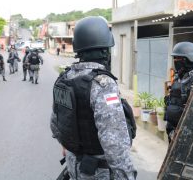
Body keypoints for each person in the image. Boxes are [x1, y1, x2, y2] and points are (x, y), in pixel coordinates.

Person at [50, 16, 137, 180]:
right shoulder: (103, 84)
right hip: (97, 173)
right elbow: (114, 142)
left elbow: (55, 126)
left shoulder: (64, 78)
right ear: (105, 51)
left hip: (73, 166)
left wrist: (71, 148)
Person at [164, 42, 193, 143]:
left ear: (187, 59)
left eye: (177, 58)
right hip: (173, 129)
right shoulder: (180, 75)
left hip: (187, 134)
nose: (175, 61)